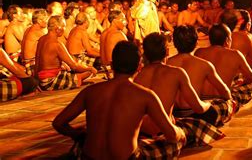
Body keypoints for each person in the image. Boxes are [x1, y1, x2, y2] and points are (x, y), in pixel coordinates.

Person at [52, 41, 187, 159]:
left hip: (88, 157)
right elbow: (171, 134)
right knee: (174, 143)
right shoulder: (146, 95)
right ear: (139, 66)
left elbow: (58, 123)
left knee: (79, 145)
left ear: (112, 64)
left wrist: (78, 135)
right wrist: (180, 132)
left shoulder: (90, 91)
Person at [134, 33, 223, 133]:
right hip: (163, 130)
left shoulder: (138, 76)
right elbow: (198, 108)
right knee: (212, 113)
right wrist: (208, 104)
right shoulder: (176, 72)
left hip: (141, 130)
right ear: (167, 51)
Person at [167, 26, 232, 106]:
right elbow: (224, 91)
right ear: (196, 43)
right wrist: (230, 101)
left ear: (174, 43)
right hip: (195, 110)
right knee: (227, 104)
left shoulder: (166, 63)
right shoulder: (204, 65)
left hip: (172, 111)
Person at [36, 16, 96, 91]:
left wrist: (36, 80)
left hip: (41, 79)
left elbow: (37, 60)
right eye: (64, 27)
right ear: (58, 29)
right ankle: (77, 80)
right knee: (88, 71)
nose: (64, 29)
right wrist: (90, 68)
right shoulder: (57, 44)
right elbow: (74, 66)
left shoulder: (42, 39)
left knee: (73, 67)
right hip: (50, 81)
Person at [99, 10, 127, 78]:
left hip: (107, 70)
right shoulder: (118, 34)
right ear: (114, 21)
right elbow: (129, 54)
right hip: (116, 70)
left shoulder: (104, 33)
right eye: (122, 19)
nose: (125, 22)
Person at [20, 9, 48, 75]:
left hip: (23, 62)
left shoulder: (28, 29)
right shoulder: (37, 32)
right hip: (30, 66)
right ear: (39, 20)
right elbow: (52, 45)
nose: (47, 22)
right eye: (46, 19)